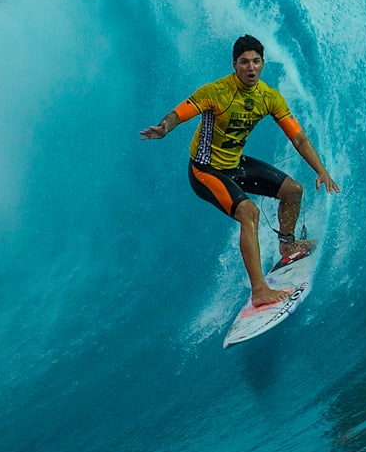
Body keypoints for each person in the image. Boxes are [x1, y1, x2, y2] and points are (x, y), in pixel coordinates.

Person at [141, 35, 341, 308]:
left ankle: (287, 245)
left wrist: (321, 171)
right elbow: (180, 113)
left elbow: (298, 138)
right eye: (244, 62)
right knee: (249, 213)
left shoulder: (268, 97)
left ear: (263, 64)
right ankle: (259, 291)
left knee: (293, 191)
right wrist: (164, 128)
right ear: (234, 64)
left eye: (256, 61)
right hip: (205, 171)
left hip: (235, 164)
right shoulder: (217, 92)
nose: (251, 68)